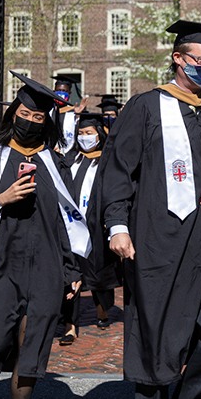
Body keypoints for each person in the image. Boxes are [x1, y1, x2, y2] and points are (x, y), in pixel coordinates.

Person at [99, 19, 201, 399]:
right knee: (158, 332)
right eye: (199, 60)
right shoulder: (145, 107)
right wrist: (117, 226)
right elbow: (117, 171)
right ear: (177, 59)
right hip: (161, 241)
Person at [0, 71, 98, 399]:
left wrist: (73, 270)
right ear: (13, 115)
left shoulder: (57, 165)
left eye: (38, 117)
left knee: (33, 340)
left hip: (46, 264)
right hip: (1, 261)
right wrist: (0, 199)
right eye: (25, 114)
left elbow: (69, 220)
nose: (31, 122)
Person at [58, 112, 119, 346]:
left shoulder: (108, 161)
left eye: (89, 133)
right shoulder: (70, 159)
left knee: (98, 274)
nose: (84, 137)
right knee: (70, 275)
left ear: (99, 134)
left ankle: (102, 309)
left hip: (97, 227)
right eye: (81, 133)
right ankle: (70, 325)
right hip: (72, 226)